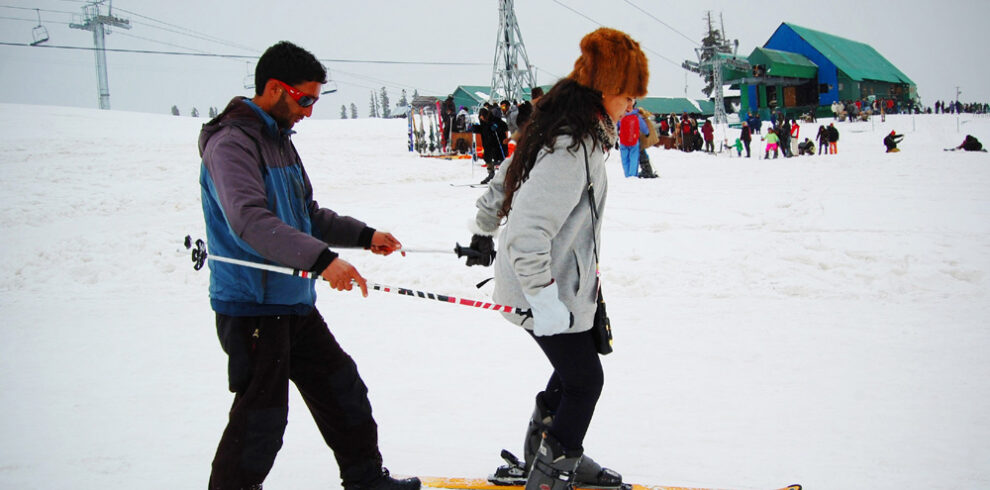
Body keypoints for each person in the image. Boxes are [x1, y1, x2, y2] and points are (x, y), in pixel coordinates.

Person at [198, 41, 421, 490]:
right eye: (305, 100)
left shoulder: (278, 140)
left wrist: (363, 236)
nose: (309, 111)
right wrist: (322, 261)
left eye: (316, 100)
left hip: (293, 303)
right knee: (260, 420)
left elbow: (307, 215)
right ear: (276, 89)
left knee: (343, 391)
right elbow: (250, 220)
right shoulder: (232, 143)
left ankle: (366, 480)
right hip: (252, 306)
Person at [463, 27, 648, 490]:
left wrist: (484, 229)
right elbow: (527, 235)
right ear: (605, 90)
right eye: (628, 95)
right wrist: (543, 299)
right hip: (543, 284)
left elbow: (508, 173)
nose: (632, 105)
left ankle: (545, 453)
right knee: (586, 381)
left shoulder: (568, 129)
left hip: (567, 282)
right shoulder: (573, 146)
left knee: (573, 373)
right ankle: (550, 474)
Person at [473, 106, 509, 184]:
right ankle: (491, 173)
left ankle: (506, 175)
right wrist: (474, 128)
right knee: (487, 158)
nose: (481, 118)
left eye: (482, 116)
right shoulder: (482, 123)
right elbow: (482, 130)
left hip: (497, 143)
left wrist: (496, 128)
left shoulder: (494, 120)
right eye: (480, 117)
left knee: (500, 159)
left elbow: (504, 126)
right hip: (487, 144)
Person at [618, 104, 647, 177]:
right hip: (634, 141)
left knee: (625, 159)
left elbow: (616, 125)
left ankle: (627, 174)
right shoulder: (637, 116)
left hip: (623, 141)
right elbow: (643, 126)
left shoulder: (621, 116)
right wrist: (647, 133)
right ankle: (633, 174)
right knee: (634, 158)